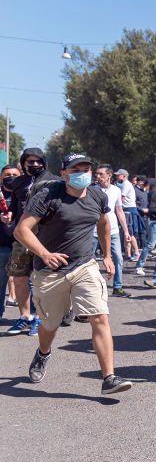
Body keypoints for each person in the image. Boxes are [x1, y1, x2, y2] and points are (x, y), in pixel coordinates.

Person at [16, 153, 132, 395]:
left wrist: (107, 256)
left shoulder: (97, 195)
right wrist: (45, 254)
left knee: (100, 317)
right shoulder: (48, 196)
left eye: (87, 169)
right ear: (64, 173)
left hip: (84, 266)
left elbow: (103, 224)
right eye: (76, 169)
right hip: (49, 271)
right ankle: (43, 353)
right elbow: (22, 230)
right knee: (50, 325)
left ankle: (109, 377)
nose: (83, 173)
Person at [6, 147, 58, 337]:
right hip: (22, 238)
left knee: (41, 281)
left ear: (44, 162)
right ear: (24, 163)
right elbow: (13, 207)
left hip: (45, 239)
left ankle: (40, 319)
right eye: (30, 161)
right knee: (19, 278)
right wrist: (8, 216)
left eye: (38, 161)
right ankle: (25, 317)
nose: (35, 164)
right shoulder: (19, 182)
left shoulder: (54, 181)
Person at [93, 165, 135, 298]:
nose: (98, 177)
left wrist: (126, 230)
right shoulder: (91, 190)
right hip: (93, 230)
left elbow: (119, 210)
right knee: (88, 259)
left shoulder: (116, 190)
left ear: (109, 175)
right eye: (97, 174)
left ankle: (117, 287)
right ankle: (92, 289)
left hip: (113, 230)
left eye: (101, 174)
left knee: (118, 257)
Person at [0, 164, 20, 322]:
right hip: (2, 247)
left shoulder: (25, 193)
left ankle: (29, 317)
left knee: (26, 284)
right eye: (7, 175)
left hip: (23, 246)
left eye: (14, 174)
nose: (11, 177)